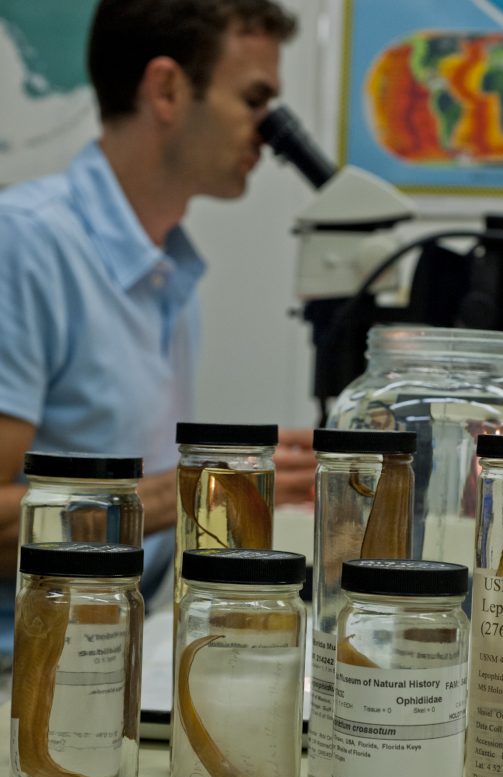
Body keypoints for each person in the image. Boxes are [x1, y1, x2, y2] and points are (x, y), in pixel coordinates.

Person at [0, 0, 315, 634]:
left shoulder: (167, 270)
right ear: (168, 90)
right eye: (254, 101)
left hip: (122, 639)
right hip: (25, 673)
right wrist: (202, 487)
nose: (267, 133)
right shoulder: (26, 246)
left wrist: (242, 472)